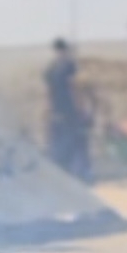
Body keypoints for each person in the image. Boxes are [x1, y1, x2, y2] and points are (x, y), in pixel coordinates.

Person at [44, 39, 92, 181]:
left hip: (57, 112)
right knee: (75, 141)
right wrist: (81, 110)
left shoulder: (51, 68)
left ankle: (63, 171)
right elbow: (74, 88)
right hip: (69, 112)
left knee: (59, 142)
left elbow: (49, 92)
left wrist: (49, 111)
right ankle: (77, 173)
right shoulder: (69, 66)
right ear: (65, 50)